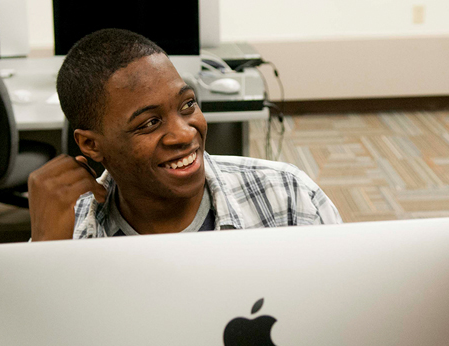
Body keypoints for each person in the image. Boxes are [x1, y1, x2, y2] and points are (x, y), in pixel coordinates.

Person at [28, 28, 341, 241]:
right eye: (149, 123)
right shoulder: (68, 230)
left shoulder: (287, 195)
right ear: (91, 145)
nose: (183, 133)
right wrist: (48, 251)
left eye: (187, 104)